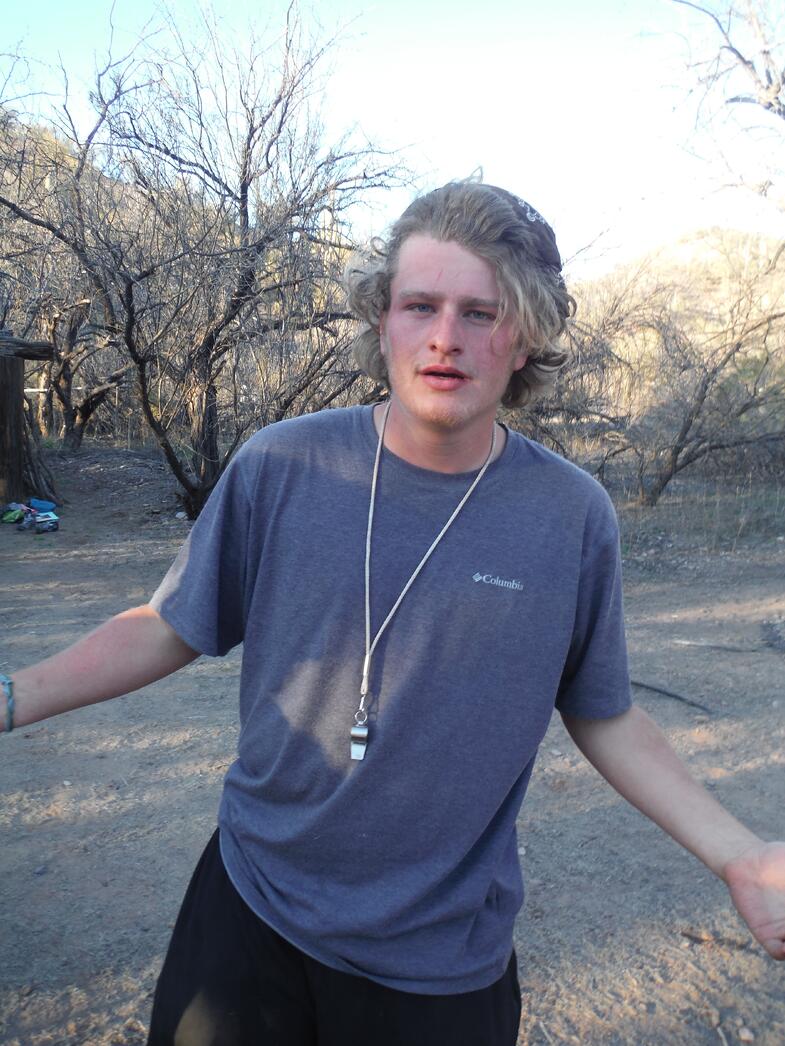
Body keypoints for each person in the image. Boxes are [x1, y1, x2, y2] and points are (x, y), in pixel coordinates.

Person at [2, 180, 784, 1046]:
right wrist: (11, 695)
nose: (445, 338)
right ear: (382, 321)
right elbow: (167, 624)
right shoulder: (282, 466)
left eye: (481, 313)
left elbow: (604, 714)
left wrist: (737, 854)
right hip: (250, 909)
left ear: (523, 338)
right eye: (419, 305)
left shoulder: (569, 515)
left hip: (438, 961)